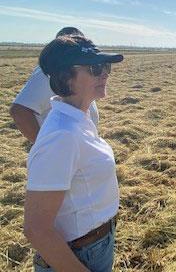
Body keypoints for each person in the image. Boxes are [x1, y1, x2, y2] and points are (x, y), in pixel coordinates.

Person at [23, 35, 123, 272]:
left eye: (105, 67)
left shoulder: (79, 119)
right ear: (66, 77)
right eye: (95, 68)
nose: (105, 74)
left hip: (93, 246)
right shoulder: (61, 136)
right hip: (77, 257)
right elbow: (36, 229)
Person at [10, 27, 99, 143]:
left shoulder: (79, 69)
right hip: (64, 149)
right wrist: (43, 145)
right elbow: (19, 110)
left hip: (77, 146)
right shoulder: (51, 72)